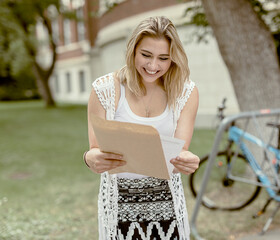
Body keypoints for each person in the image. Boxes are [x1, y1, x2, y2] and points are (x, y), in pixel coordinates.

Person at [84, 16, 199, 240]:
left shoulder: (186, 92)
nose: (153, 66)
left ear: (173, 59)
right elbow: (95, 150)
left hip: (167, 204)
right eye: (146, 55)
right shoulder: (105, 89)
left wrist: (188, 160)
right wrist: (89, 158)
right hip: (119, 205)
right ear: (133, 50)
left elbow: (180, 152)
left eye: (163, 58)